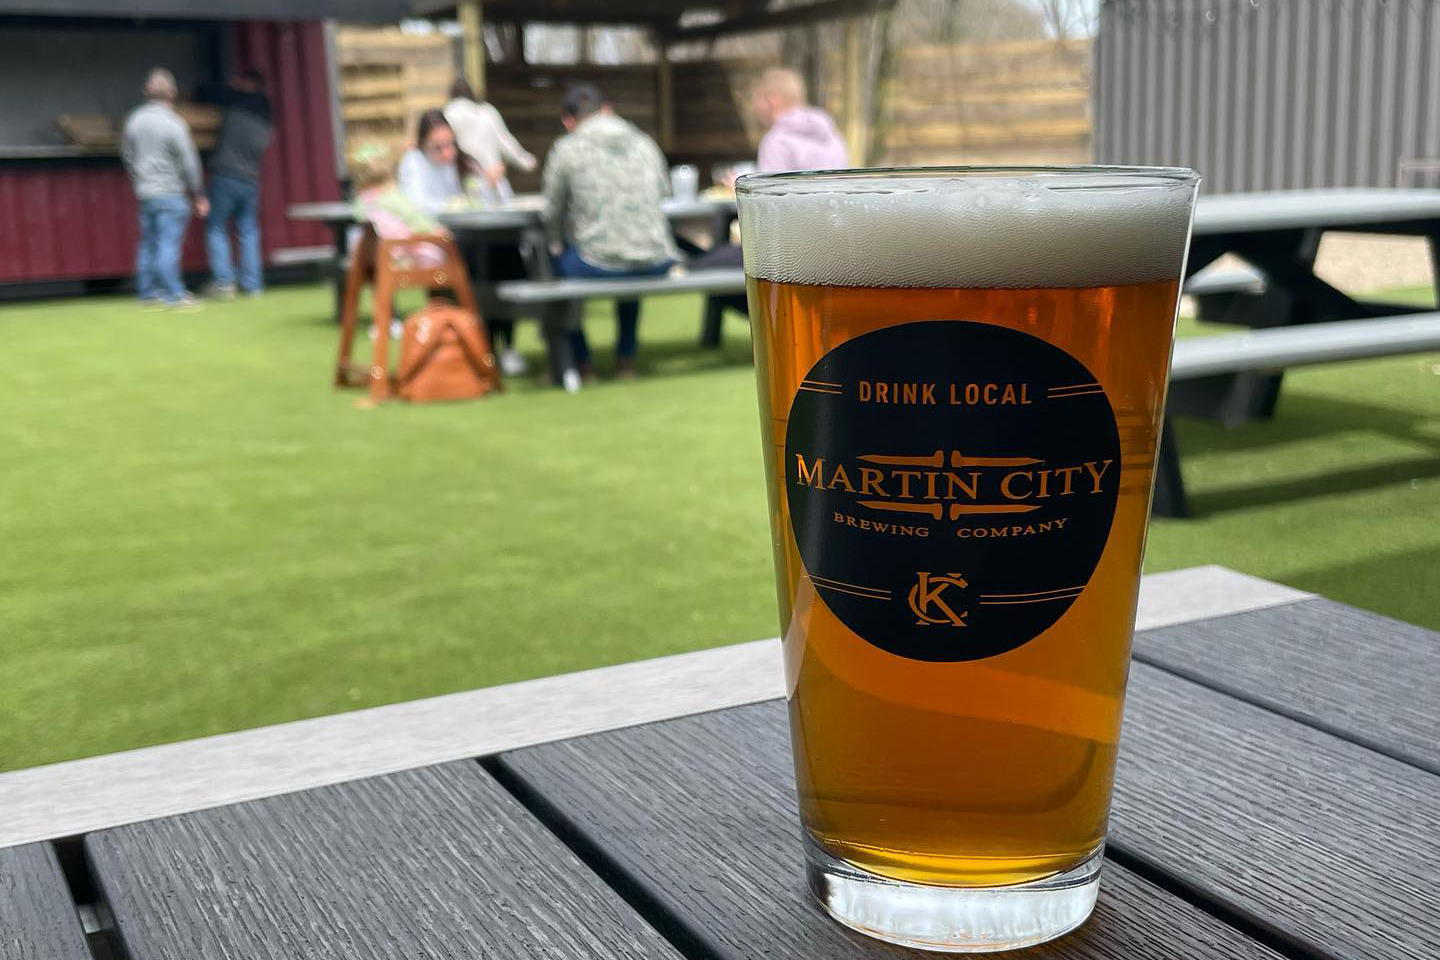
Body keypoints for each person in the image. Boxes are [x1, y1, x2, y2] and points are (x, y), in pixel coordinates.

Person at [542, 84, 677, 381]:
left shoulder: (567, 148)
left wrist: (556, 240)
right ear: (607, 109)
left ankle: (581, 362)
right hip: (655, 259)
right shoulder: (644, 142)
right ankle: (625, 360)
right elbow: (665, 191)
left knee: (551, 262)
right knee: (630, 256)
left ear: (568, 121)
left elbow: (551, 212)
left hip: (599, 262)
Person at [398, 109, 528, 376]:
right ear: (422, 145)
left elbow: (499, 199)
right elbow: (419, 207)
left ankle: (506, 344)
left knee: (506, 252)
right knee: (483, 261)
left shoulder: (465, 162)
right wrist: (462, 203)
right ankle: (486, 345)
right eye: (438, 147)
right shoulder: (414, 164)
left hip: (475, 236)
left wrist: (491, 184)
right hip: (440, 241)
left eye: (450, 145)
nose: (447, 153)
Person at [121, 67, 207, 310]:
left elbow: (127, 155)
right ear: (172, 93)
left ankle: (147, 293)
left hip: (146, 192)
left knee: (148, 244)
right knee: (168, 245)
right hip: (171, 192)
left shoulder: (134, 120)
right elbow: (189, 162)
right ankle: (174, 294)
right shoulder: (174, 124)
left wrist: (139, 178)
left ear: (146, 92)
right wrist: (198, 192)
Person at [201, 69, 272, 299]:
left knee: (216, 227)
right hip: (251, 178)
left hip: (226, 174)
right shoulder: (266, 109)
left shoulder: (236, 100)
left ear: (250, 83)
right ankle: (252, 285)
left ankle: (224, 282)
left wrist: (233, 87)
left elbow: (204, 93)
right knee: (248, 230)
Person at [443, 77, 536, 203]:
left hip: (469, 182)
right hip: (495, 178)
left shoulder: (450, 112)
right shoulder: (488, 112)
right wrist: (526, 160)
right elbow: (505, 141)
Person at [752, 66, 850, 173]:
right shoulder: (832, 134)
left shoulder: (776, 142)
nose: (755, 107)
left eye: (758, 99)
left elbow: (769, 184)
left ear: (773, 100)